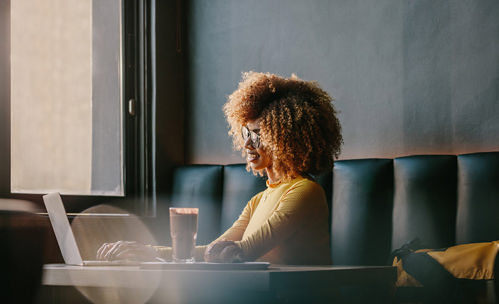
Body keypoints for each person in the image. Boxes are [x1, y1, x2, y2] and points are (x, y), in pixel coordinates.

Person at [97, 72, 342, 264]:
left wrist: (154, 253)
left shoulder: (306, 191)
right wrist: (148, 251)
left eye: (256, 135)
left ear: (285, 137)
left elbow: (242, 251)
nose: (246, 143)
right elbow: (214, 250)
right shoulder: (258, 200)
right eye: (245, 133)